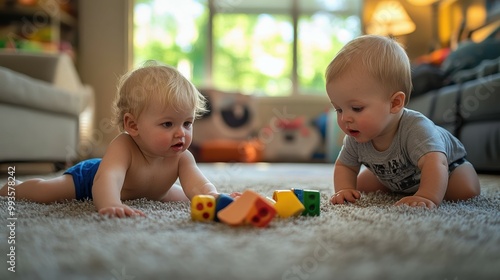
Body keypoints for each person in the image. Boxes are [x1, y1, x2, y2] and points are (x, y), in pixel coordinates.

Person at [0, 61, 240, 217]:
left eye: (187, 123)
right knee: (47, 191)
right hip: (92, 179)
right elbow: (109, 177)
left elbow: (198, 185)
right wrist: (110, 203)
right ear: (132, 125)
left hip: (152, 191)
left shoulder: (182, 157)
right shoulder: (124, 145)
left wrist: (214, 196)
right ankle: (13, 188)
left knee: (185, 196)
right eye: (168, 124)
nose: (181, 133)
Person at [325, 35, 480, 209]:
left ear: (394, 103)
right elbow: (346, 166)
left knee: (465, 190)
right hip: (396, 176)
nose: (345, 118)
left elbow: (436, 163)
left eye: (357, 108)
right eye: (339, 109)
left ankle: (421, 189)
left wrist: (425, 196)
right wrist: (344, 189)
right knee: (360, 185)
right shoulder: (355, 136)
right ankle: (401, 187)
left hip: (450, 168)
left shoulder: (416, 129)